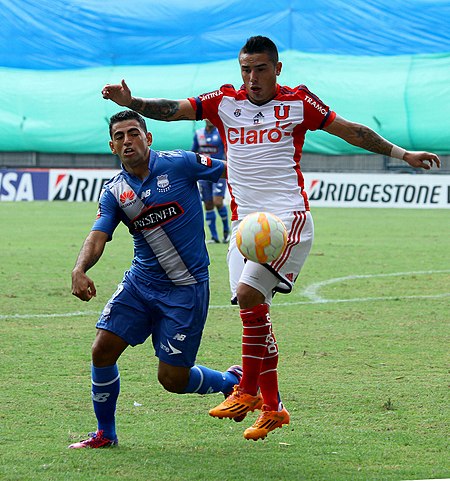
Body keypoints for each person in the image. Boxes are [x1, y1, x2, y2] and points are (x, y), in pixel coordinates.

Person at [101, 36, 440, 441]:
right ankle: (274, 407)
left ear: (277, 69)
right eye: (245, 69)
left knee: (248, 295)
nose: (252, 77)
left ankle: (246, 391)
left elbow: (352, 131)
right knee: (254, 310)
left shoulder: (298, 103)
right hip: (246, 229)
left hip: (287, 220)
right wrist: (134, 101)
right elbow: (174, 110)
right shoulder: (224, 102)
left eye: (260, 68)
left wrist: (404, 155)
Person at [69, 110, 242, 449]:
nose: (127, 141)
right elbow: (98, 235)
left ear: (148, 138)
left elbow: (234, 170)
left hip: (186, 289)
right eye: (119, 137)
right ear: (112, 146)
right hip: (140, 284)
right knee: (101, 350)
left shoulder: (180, 163)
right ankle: (106, 434)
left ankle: (230, 381)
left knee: (172, 379)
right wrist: (80, 269)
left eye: (133, 133)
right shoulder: (115, 192)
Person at [192, 119, 230, 244]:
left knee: (217, 201)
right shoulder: (199, 134)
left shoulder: (220, 133)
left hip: (218, 173)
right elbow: (194, 151)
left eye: (210, 117)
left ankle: (226, 232)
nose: (209, 119)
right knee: (208, 204)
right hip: (203, 173)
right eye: (206, 117)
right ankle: (214, 237)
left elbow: (226, 149)